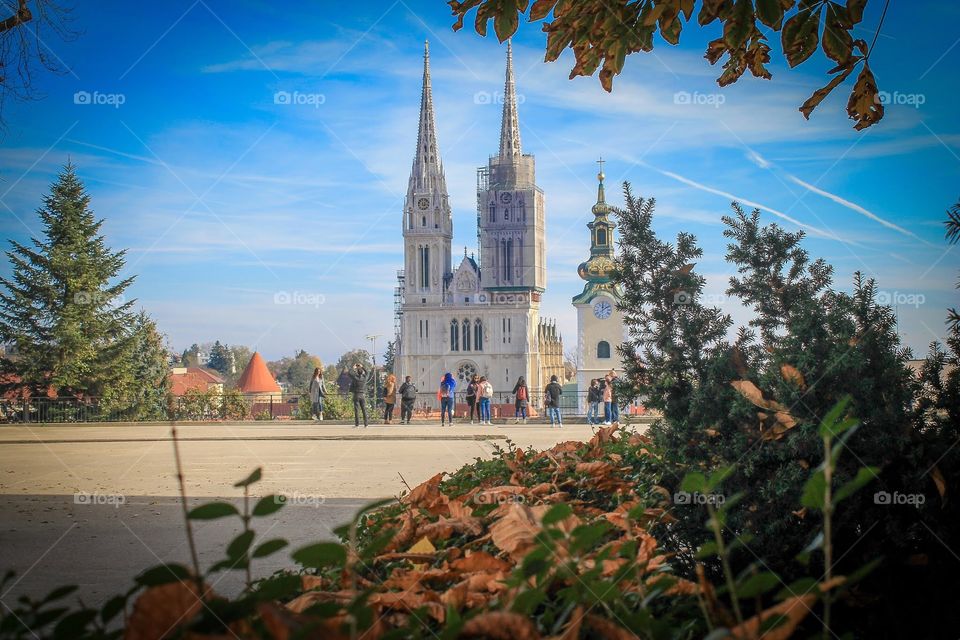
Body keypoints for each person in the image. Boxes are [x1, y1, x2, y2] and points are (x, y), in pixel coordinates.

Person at [349, 363, 369, 428]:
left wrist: (353, 367)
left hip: (356, 395)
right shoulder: (364, 378)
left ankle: (357, 424)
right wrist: (362, 367)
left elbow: (349, 373)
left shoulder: (355, 378)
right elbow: (367, 372)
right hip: (362, 395)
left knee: (357, 410)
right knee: (364, 410)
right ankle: (366, 424)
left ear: (357, 372)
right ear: (362, 372)